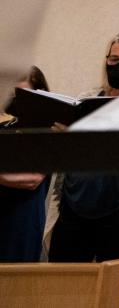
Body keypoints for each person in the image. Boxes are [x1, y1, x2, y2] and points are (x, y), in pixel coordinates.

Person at [48, 33, 119, 306]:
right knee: (62, 287)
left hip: (118, 211)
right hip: (74, 203)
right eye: (114, 58)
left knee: (110, 291)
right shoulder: (87, 99)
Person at [0, 66, 52, 262]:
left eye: (20, 95)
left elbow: (32, 179)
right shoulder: (4, 129)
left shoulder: (46, 132)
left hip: (22, 222)